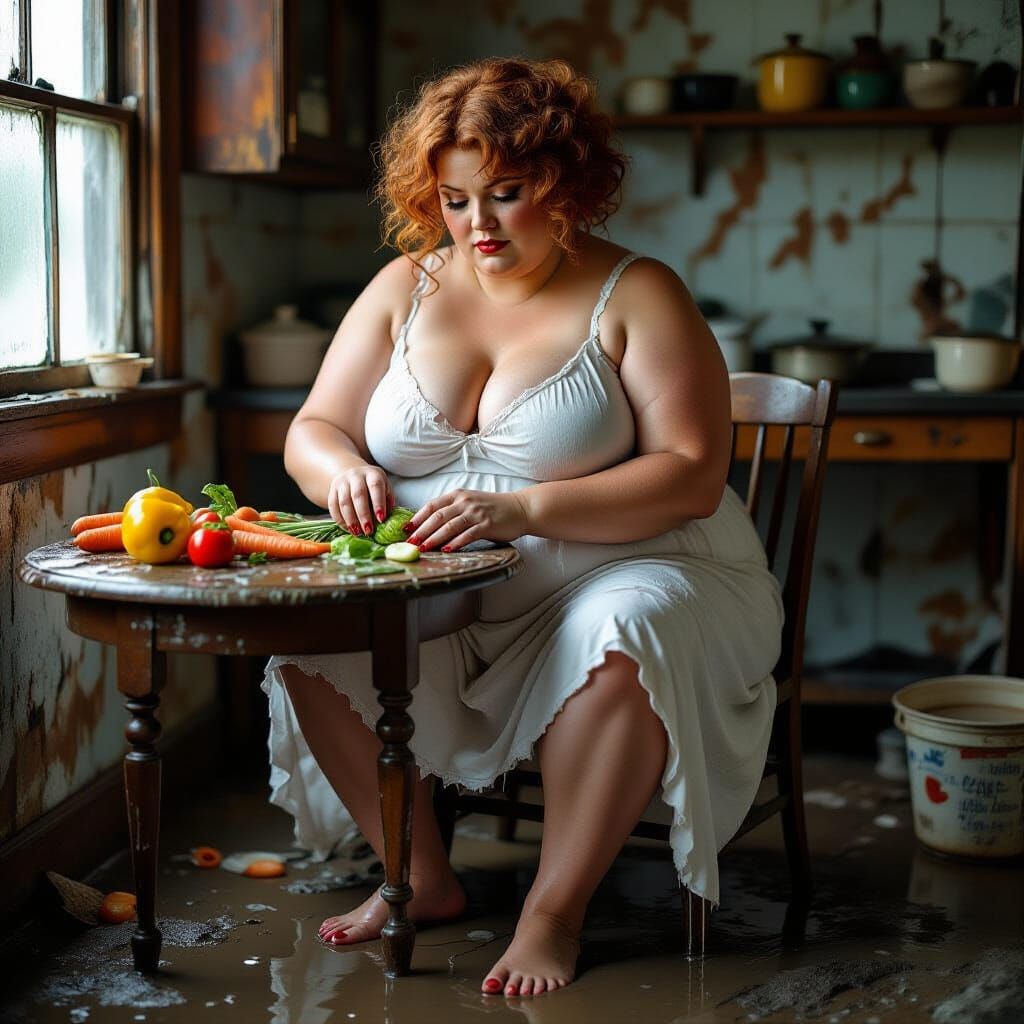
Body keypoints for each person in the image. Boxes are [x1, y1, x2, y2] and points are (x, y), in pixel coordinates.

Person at [262, 56, 782, 998]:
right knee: (310, 634)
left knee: (623, 631)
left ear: (566, 181)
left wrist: (524, 507)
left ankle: (552, 915)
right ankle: (419, 877)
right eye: (455, 200)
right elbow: (314, 430)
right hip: (447, 591)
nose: (478, 227)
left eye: (505, 195)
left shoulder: (640, 291)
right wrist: (343, 472)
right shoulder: (402, 288)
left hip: (635, 566)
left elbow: (694, 476)